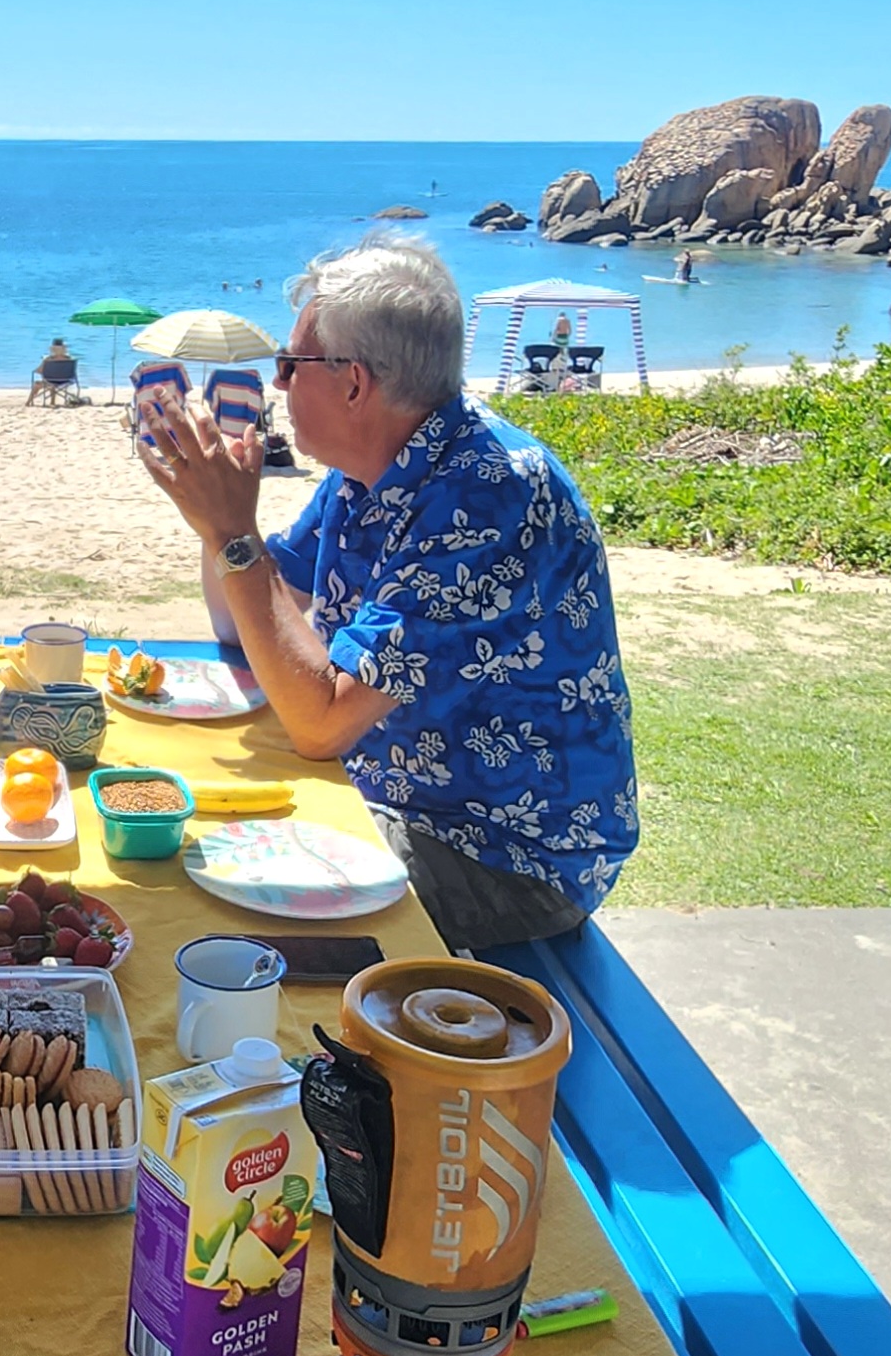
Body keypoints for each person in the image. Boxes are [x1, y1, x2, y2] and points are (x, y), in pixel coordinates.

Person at [139, 241, 638, 950]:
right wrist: (212, 514)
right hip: (393, 794)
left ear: (353, 384)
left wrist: (232, 529)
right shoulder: (370, 470)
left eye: (291, 364)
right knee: (168, 830)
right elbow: (238, 619)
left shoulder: (488, 493)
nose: (277, 383)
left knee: (222, 909)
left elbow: (320, 722)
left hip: (502, 854)